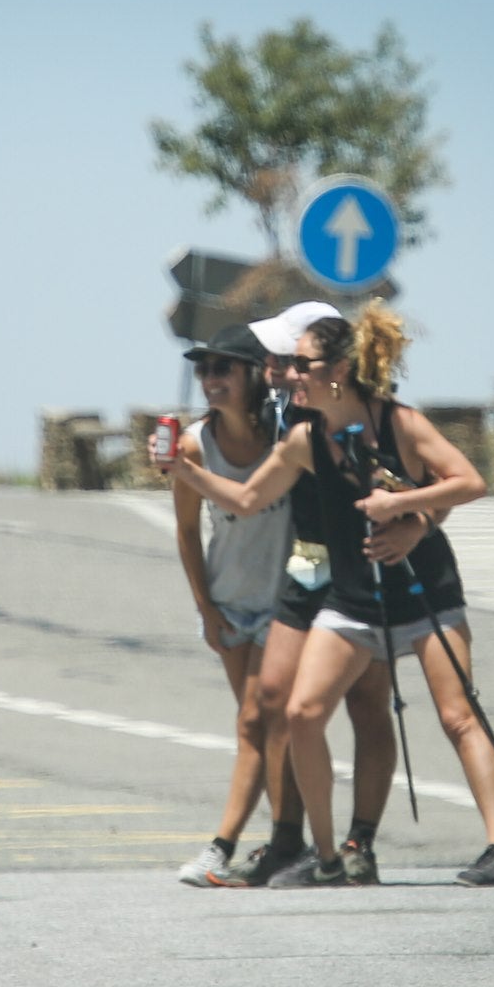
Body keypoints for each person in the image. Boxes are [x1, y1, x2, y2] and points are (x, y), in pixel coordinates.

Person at [160, 299, 494, 888]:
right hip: (345, 594)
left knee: (455, 715)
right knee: (296, 710)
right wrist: (183, 468)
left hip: (421, 588)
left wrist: (406, 512)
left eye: (299, 363)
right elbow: (248, 499)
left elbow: (466, 482)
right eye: (286, 363)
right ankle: (321, 857)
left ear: (336, 369)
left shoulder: (395, 422)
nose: (287, 372)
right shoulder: (300, 432)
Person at [169, 324, 291, 885]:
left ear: (251, 375)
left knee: (255, 720)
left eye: (222, 370)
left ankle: (222, 846)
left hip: (284, 601)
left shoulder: (286, 434)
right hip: (230, 602)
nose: (210, 380)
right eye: (203, 370)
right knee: (260, 729)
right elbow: (188, 533)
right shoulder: (195, 445)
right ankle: (289, 838)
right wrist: (207, 609)